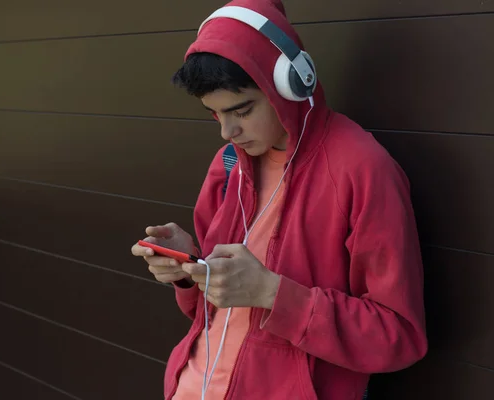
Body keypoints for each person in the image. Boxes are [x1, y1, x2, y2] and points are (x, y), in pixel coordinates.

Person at [131, 0, 428, 399]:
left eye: (242, 110)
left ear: (291, 82)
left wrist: (273, 293)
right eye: (215, 114)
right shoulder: (230, 164)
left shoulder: (362, 168)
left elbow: (397, 335)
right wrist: (190, 268)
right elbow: (210, 315)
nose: (227, 132)